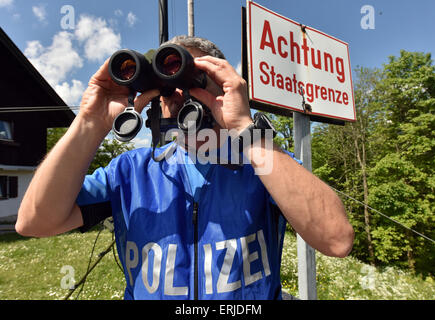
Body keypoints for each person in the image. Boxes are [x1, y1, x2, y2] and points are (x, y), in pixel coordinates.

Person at [15, 35, 354, 300]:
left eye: (191, 78)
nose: (177, 94)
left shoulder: (261, 164)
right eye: (165, 87)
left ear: (223, 87)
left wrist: (245, 130)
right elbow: (35, 221)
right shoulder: (131, 172)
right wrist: (90, 121)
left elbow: (336, 240)